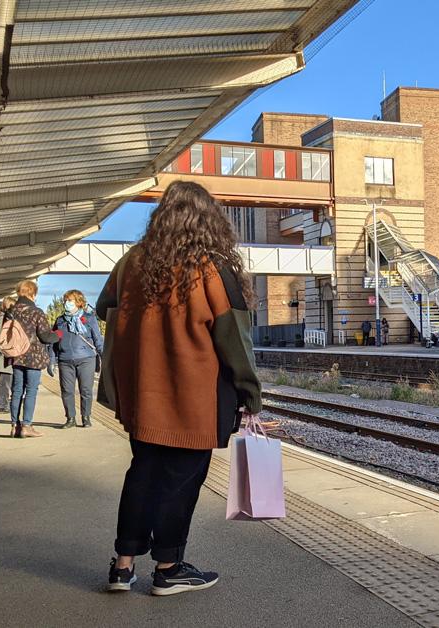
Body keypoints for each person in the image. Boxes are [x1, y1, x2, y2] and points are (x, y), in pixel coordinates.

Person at [97, 181, 261, 596]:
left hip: (143, 396)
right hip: (194, 399)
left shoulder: (132, 262)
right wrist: (250, 392)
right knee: (180, 482)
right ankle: (168, 568)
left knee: (142, 474)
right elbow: (234, 338)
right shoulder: (210, 267)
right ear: (210, 220)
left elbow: (103, 308)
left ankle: (122, 567)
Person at [6, 281, 59, 438]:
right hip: (33, 358)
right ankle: (27, 426)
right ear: (33, 294)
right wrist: (58, 335)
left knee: (17, 391)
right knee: (31, 390)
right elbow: (45, 336)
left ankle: (14, 426)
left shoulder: (11, 312)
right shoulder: (36, 312)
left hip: (16, 356)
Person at [52, 290, 104, 429]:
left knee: (86, 390)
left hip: (86, 359)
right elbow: (54, 341)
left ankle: (86, 417)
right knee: (66, 390)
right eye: (65, 300)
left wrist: (104, 356)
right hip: (65, 359)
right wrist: (51, 360)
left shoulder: (89, 318)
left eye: (70, 300)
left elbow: (98, 339)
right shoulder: (60, 320)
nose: (66, 303)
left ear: (78, 302)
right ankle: (70, 418)